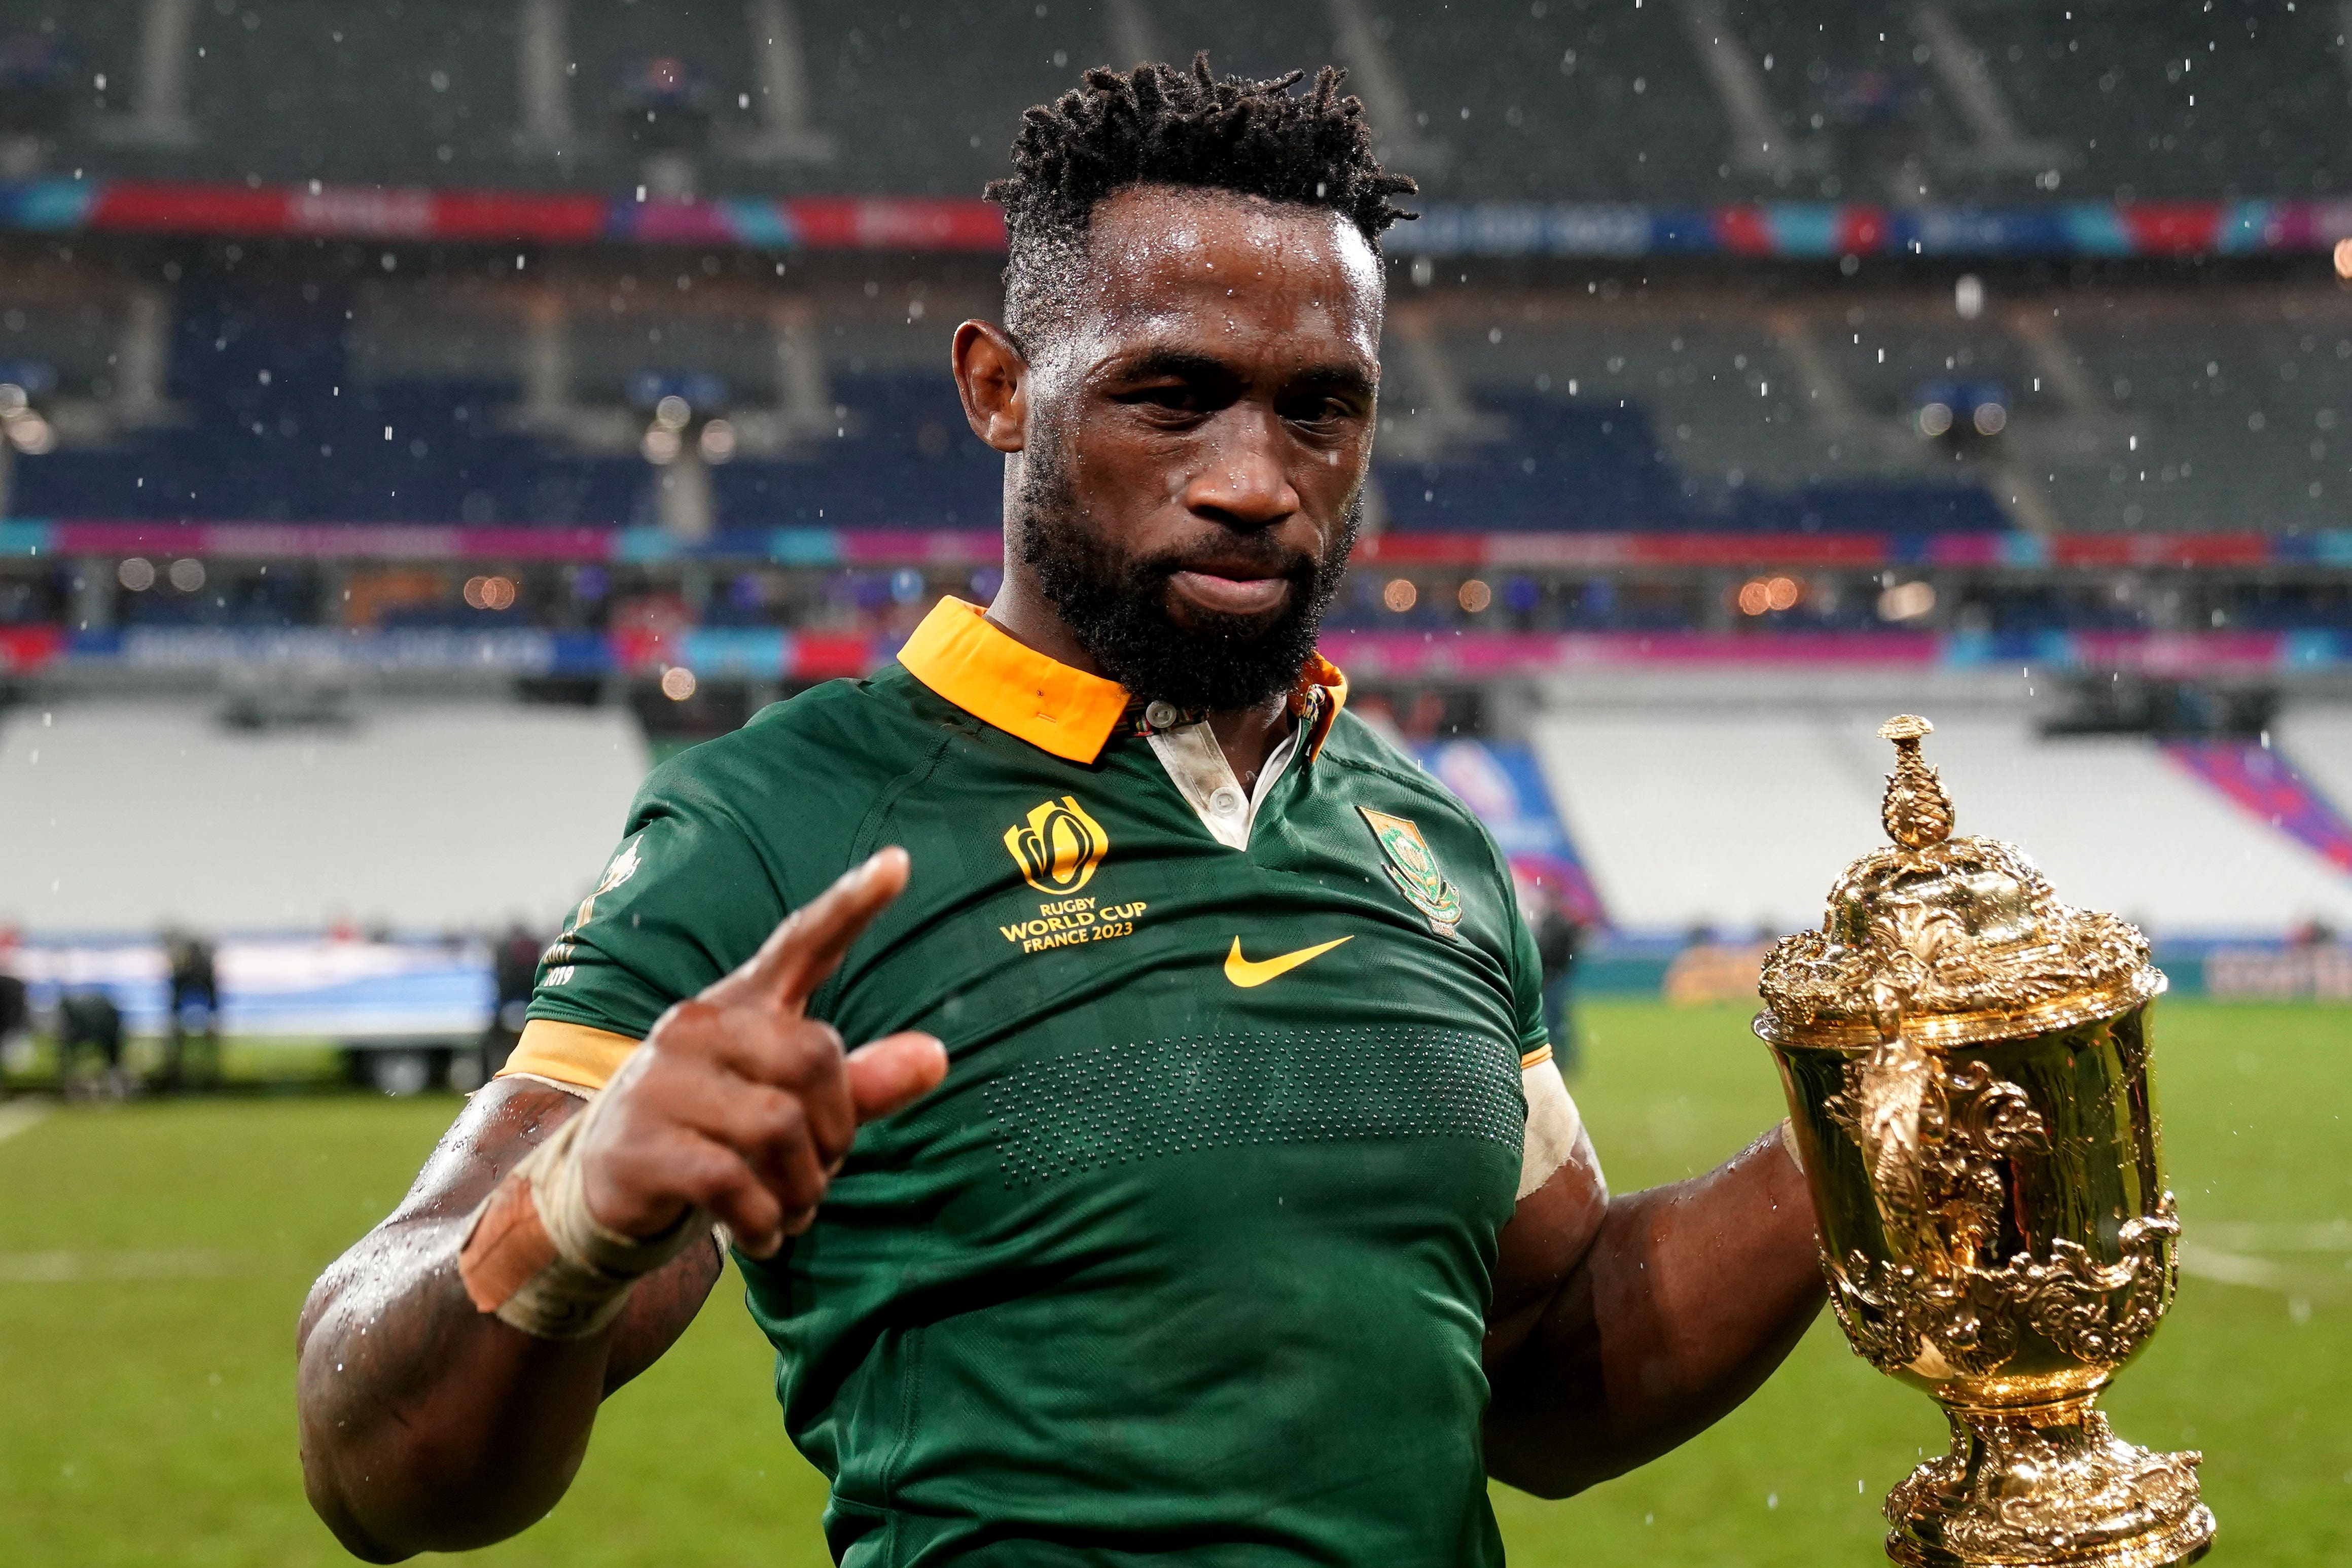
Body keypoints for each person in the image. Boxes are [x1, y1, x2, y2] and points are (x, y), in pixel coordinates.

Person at [297, 58, 1821, 1566]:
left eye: (1320, 411)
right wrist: (565, 1212)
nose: (1253, 479)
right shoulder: (778, 823)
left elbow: (1542, 1362)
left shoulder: (1427, 841)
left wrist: (1863, 1137)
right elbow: (376, 1468)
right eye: (1172, 395)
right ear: (1000, 387)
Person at [1530, 891, 1583, 1075]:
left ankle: (1561, 1059)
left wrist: (1548, 971)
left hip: (1554, 978)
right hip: (1556, 976)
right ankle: (1562, 1059)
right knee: (1557, 1021)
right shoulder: (1560, 922)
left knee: (1555, 1021)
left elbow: (1548, 949)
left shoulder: (1556, 923)